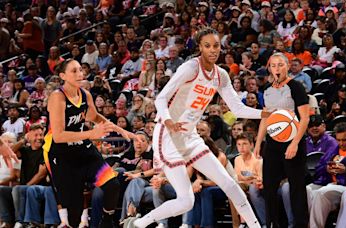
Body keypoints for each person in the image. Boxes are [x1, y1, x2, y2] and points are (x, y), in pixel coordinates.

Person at [132, 27, 269, 228]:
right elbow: (161, 98)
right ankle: (140, 224)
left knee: (229, 183)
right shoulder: (190, 68)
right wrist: (169, 120)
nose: (213, 50)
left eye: (216, 46)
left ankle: (255, 226)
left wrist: (265, 114)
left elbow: (237, 108)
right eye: (207, 46)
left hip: (190, 135)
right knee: (186, 201)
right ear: (200, 47)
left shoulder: (221, 75)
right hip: (168, 136)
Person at [43, 59, 135, 227]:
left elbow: (94, 117)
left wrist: (119, 129)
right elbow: (58, 136)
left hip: (82, 148)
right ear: (63, 76)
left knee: (112, 184)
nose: (80, 74)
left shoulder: (85, 94)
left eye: (80, 70)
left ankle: (106, 222)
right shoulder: (57, 97)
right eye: (74, 71)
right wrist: (92, 133)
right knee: (74, 212)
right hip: (60, 154)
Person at [254, 52, 310, 227]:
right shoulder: (267, 90)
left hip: (293, 143)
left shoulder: (296, 87)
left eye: (280, 65)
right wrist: (258, 143)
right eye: (273, 65)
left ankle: (300, 224)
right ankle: (272, 224)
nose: (277, 68)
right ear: (269, 68)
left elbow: (305, 118)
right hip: (272, 143)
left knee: (296, 189)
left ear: (287, 66)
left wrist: (294, 144)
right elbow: (266, 117)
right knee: (269, 188)